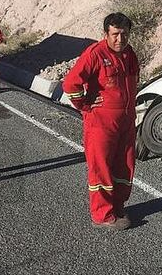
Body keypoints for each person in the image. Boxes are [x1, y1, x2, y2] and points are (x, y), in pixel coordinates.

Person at [62, 13, 139, 231]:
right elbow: (70, 84)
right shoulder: (95, 54)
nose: (119, 39)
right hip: (100, 124)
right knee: (101, 168)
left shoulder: (130, 55)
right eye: (115, 34)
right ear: (106, 34)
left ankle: (117, 205)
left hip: (126, 122)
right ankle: (102, 214)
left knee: (124, 166)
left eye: (124, 34)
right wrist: (85, 105)